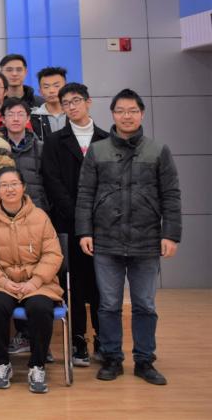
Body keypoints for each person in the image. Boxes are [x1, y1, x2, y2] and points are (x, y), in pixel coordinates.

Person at [76, 89, 181, 386]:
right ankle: (111, 358)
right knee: (108, 304)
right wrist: (84, 231)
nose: (127, 116)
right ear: (112, 114)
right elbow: (85, 194)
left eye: (132, 111)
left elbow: (171, 195)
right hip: (105, 240)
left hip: (146, 241)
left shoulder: (158, 150)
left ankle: (145, 360)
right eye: (121, 111)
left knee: (145, 305)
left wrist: (170, 234)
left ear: (142, 114)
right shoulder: (97, 151)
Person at [40, 82, 108, 366]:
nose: (71, 106)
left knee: (103, 284)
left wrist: (95, 215)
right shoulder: (55, 141)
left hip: (103, 224)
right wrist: (77, 214)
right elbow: (52, 181)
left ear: (88, 102)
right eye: (66, 103)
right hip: (68, 223)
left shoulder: (107, 139)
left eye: (76, 101)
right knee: (75, 283)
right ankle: (78, 340)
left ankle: (104, 340)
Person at [0, 167, 63, 394]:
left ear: (24, 187)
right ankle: (1, 364)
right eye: (4, 185)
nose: (10, 189)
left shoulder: (40, 216)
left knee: (40, 307)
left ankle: (37, 366)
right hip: (3, 282)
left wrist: (35, 281)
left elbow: (53, 254)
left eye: (14, 184)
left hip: (38, 283)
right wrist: (3, 281)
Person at [1, 98, 48, 212]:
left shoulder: (41, 148)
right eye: (10, 115)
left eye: (20, 114)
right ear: (3, 119)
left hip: (35, 210)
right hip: (4, 210)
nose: (16, 119)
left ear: (28, 119)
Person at [30, 66, 67, 139]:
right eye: (46, 87)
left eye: (56, 86)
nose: (51, 91)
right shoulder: (33, 117)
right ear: (40, 91)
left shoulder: (75, 114)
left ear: (66, 88)